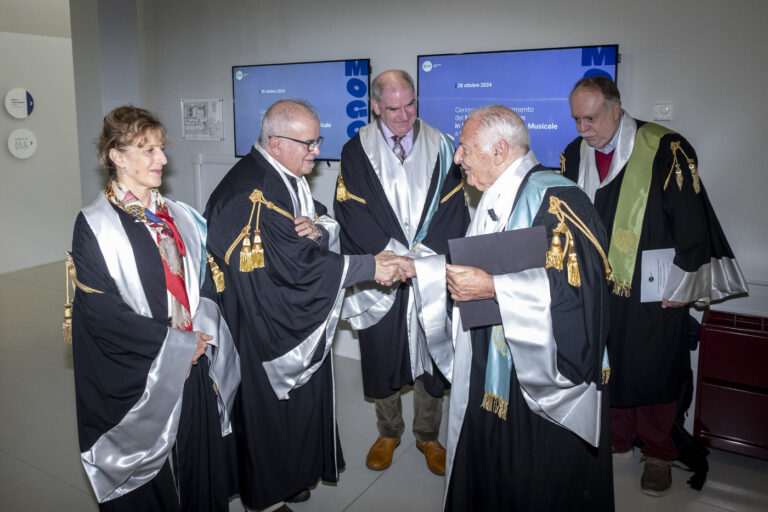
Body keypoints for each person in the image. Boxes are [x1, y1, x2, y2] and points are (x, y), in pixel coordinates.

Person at [203, 99, 407, 511]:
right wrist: (369, 266)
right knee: (269, 417)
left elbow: (316, 222)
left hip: (289, 320)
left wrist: (319, 229)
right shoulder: (248, 194)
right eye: (308, 144)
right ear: (276, 142)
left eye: (318, 141)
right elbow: (289, 270)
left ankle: (293, 477)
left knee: (297, 410)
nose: (316, 152)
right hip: (262, 328)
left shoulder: (283, 173)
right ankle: (265, 497)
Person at [563, 76, 747, 496]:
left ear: (616, 107)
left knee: (654, 367)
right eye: (576, 119)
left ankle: (660, 453)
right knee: (608, 364)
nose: (581, 129)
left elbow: (691, 221)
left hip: (652, 288)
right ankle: (619, 439)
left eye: (590, 118)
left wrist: (681, 285)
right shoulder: (575, 153)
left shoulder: (666, 148)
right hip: (598, 287)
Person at [435, 105, 615, 510]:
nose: (457, 157)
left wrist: (495, 287)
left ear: (499, 151)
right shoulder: (494, 194)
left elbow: (582, 300)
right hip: (492, 368)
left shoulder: (559, 201)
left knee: (531, 485)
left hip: (536, 387)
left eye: (464, 147)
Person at [69, 106, 240, 511]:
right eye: (147, 150)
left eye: (161, 148)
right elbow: (101, 313)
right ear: (116, 155)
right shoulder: (94, 225)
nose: (162, 159)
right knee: (156, 480)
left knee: (198, 461)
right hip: (143, 372)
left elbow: (204, 282)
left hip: (193, 361)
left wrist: (199, 332)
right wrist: (176, 345)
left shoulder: (178, 216)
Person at [334, 70, 470, 476]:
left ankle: (428, 434)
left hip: (429, 268)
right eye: (393, 108)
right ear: (375, 106)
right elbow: (349, 210)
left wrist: (420, 261)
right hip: (382, 271)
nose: (404, 115)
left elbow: (454, 209)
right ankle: (388, 431)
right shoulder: (355, 150)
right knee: (381, 351)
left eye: (410, 104)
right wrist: (392, 259)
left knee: (432, 349)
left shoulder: (444, 146)